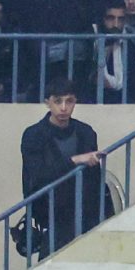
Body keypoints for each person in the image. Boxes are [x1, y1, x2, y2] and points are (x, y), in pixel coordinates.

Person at [18, 81, 105, 256]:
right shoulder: (33, 135)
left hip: (84, 211)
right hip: (49, 211)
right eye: (58, 101)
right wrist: (75, 161)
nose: (64, 108)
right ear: (47, 103)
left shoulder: (86, 132)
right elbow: (39, 175)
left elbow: (94, 178)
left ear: (75, 102)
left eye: (69, 101)